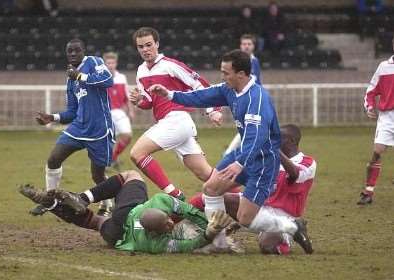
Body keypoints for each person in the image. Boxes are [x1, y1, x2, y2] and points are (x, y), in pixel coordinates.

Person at [148, 49, 313, 254]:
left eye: (226, 73)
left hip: (262, 162)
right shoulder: (230, 89)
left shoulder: (257, 100)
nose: (223, 76)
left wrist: (240, 163)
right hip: (243, 156)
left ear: (241, 74)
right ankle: (219, 243)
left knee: (246, 219)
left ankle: (293, 227)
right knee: (211, 188)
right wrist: (170, 94)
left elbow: (257, 137)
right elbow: (203, 96)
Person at [18, 170, 235, 254]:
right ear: (159, 230)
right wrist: (208, 231)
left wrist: (209, 225)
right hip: (118, 234)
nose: (171, 224)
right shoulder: (155, 240)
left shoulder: (157, 207)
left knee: (128, 177)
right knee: (93, 220)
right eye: (168, 225)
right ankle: (60, 205)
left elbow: (184, 215)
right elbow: (188, 243)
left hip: (127, 222)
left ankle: (69, 201)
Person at [190, 124, 317, 254]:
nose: (274, 140)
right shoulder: (267, 160)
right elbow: (243, 178)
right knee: (211, 196)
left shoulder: (307, 162)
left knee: (267, 247)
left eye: (278, 138)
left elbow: (295, 174)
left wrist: (275, 150)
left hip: (283, 216)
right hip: (257, 207)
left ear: (291, 141)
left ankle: (292, 230)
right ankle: (219, 242)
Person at [129, 27, 223, 201]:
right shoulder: (141, 71)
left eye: (149, 45)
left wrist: (213, 110)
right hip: (172, 124)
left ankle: (175, 194)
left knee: (137, 153)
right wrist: (138, 101)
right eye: (141, 47)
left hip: (177, 120)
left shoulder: (170, 65)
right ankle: (245, 197)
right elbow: (149, 102)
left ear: (157, 44)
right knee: (207, 175)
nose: (145, 50)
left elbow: (200, 84)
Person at [34, 38, 114, 216]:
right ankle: (50, 200)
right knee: (54, 159)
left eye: (76, 50)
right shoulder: (70, 80)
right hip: (79, 128)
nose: (72, 54)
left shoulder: (94, 62)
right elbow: (72, 111)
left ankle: (106, 205)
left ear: (83, 51)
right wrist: (52, 117)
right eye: (69, 51)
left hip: (99, 129)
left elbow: (108, 80)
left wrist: (80, 76)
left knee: (98, 175)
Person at [358, 37, 394, 205]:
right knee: (377, 151)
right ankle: (368, 191)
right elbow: (371, 91)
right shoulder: (384, 67)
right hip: (387, 117)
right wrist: (370, 106)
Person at [223, 34, 262, 155]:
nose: (246, 46)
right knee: (248, 127)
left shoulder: (255, 61)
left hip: (253, 98)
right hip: (242, 98)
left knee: (249, 127)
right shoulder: (236, 63)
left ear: (253, 46)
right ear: (240, 46)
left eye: (249, 44)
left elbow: (257, 80)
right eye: (244, 44)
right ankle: (233, 153)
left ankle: (232, 153)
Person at [103, 52, 134, 170]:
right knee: (107, 140)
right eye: (108, 63)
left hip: (120, 112)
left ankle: (113, 158)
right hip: (105, 113)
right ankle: (105, 164)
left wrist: (131, 110)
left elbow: (126, 96)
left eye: (112, 63)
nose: (110, 65)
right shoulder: (100, 78)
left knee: (127, 136)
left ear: (116, 63)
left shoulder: (122, 78)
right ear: (105, 64)